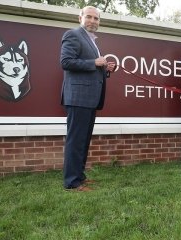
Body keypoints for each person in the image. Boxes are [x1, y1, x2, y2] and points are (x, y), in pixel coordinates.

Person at [60, 6, 115, 191]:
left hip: (89, 98)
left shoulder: (91, 41)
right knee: (76, 141)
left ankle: (79, 177)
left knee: (83, 140)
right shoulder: (73, 34)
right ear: (80, 18)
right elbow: (66, 62)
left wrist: (104, 68)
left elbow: (90, 68)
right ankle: (72, 182)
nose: (93, 21)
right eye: (89, 17)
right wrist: (94, 62)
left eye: (96, 18)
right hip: (78, 98)